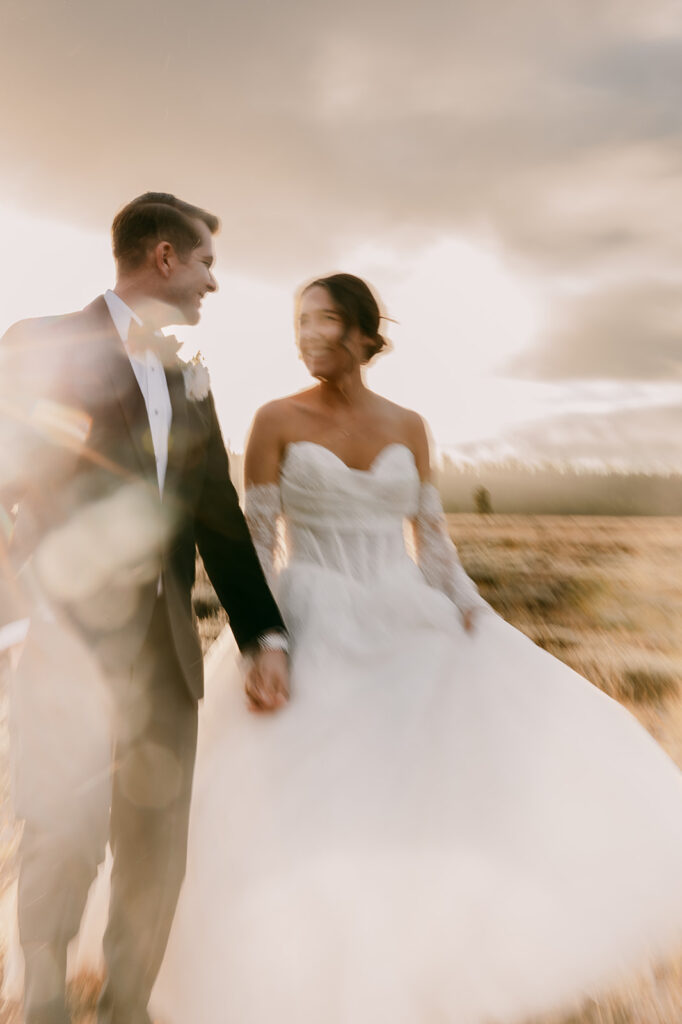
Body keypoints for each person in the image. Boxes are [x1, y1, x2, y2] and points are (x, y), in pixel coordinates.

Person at [84, 273, 681, 1024]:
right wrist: (259, 639)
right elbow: (258, 546)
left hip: (407, 615)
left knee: (436, 790)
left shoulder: (410, 425)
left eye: (324, 321)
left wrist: (471, 611)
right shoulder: (274, 420)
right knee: (304, 794)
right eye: (299, 321)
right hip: (311, 616)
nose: (306, 335)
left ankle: (432, 965)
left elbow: (432, 545)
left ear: (365, 335)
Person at [0, 192, 289, 1024]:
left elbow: (218, 517)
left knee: (155, 848)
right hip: (64, 648)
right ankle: (45, 1006)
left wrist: (265, 631)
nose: (212, 284)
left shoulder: (188, 371)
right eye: (205, 264)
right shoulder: (42, 343)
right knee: (62, 833)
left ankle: (127, 1006)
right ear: (164, 257)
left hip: (166, 654)